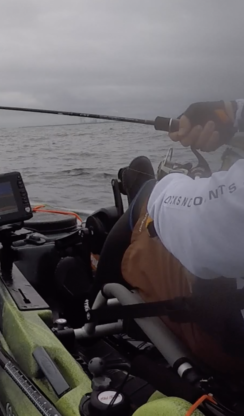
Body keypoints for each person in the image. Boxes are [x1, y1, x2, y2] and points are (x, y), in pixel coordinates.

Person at [98, 99, 244, 376]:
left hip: (230, 341)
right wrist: (232, 113)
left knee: (147, 196)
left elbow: (205, 224)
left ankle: (94, 314)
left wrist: (161, 189)